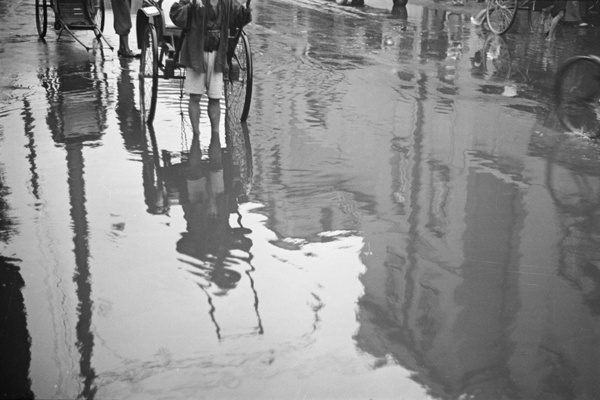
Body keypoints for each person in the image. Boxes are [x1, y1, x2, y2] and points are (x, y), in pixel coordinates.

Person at [170, 0, 251, 156]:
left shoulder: (227, 2)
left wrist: (245, 12)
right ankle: (196, 135)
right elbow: (176, 15)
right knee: (194, 97)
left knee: (215, 98)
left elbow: (239, 18)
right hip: (196, 53)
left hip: (217, 54)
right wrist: (192, 6)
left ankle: (215, 135)